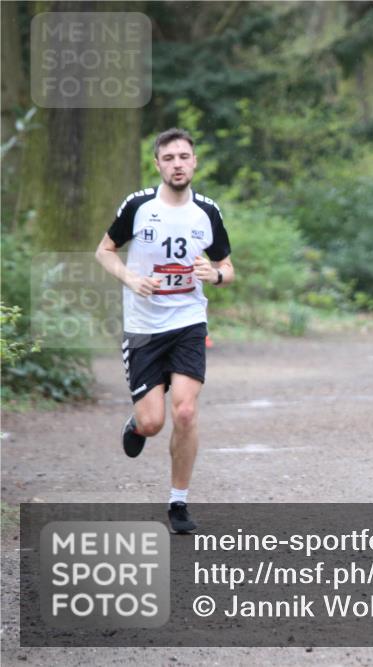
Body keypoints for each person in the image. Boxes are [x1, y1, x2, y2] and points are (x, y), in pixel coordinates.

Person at [94, 128, 234, 534]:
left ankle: (178, 503)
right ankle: (137, 422)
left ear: (194, 162)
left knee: (186, 412)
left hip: (188, 323)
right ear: (157, 164)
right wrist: (129, 279)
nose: (177, 164)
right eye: (169, 157)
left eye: (183, 156)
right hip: (143, 328)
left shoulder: (207, 212)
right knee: (153, 422)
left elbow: (228, 267)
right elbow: (103, 251)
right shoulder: (138, 206)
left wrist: (217, 275)